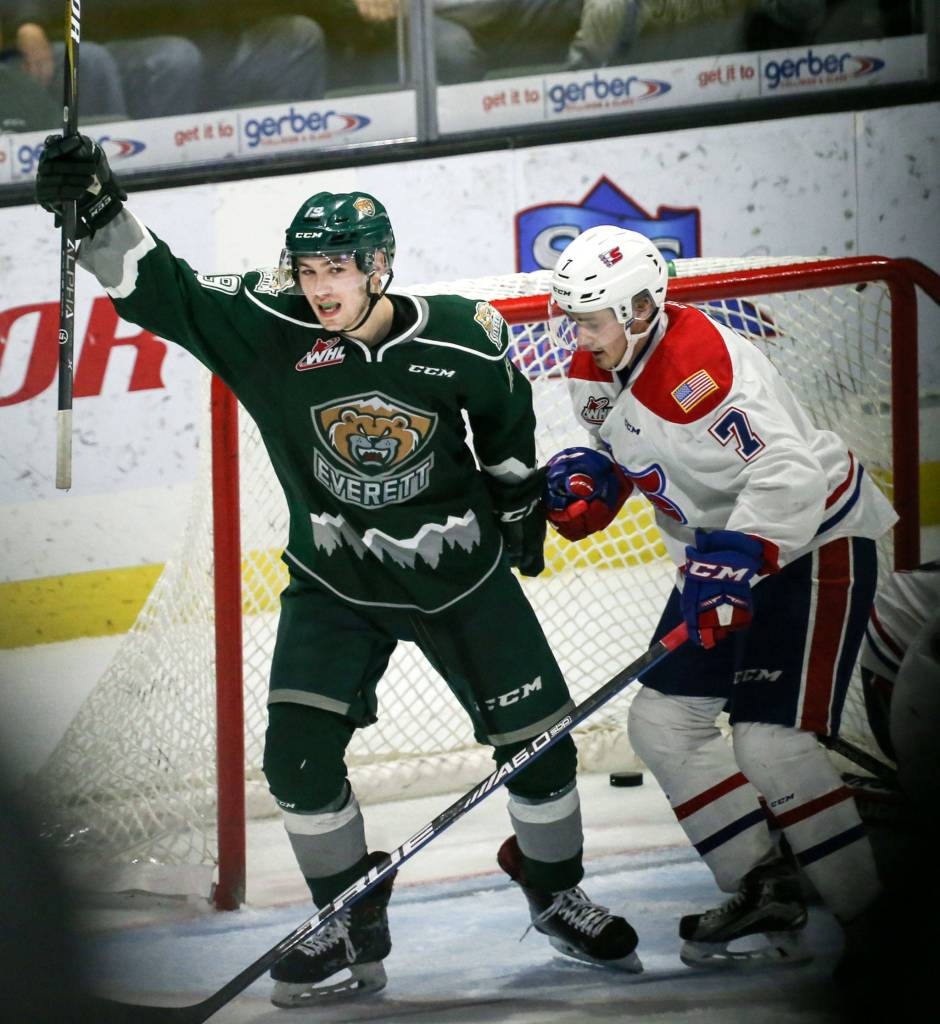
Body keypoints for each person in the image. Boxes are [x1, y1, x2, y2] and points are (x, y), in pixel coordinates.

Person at [34, 135, 643, 1006]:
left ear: (380, 266)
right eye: (309, 268)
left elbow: (508, 433)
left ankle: (555, 895)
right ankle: (349, 915)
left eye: (340, 269)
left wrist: (519, 515)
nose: (321, 287)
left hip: (460, 577)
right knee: (297, 763)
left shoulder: (468, 335)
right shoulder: (266, 322)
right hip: (335, 582)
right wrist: (95, 208)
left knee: (540, 749)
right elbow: (156, 286)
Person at [541, 226, 897, 974]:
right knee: (664, 724)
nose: (582, 334)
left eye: (595, 317)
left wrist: (739, 558)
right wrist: (597, 482)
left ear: (642, 309)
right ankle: (764, 885)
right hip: (721, 559)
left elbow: (791, 473)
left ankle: (878, 927)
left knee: (771, 742)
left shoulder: (707, 367)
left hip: (814, 545)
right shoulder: (593, 366)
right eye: (574, 318)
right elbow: (632, 455)